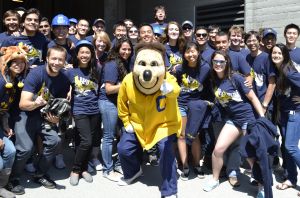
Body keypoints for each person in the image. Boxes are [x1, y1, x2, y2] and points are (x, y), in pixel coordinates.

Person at [117, 42, 181, 198]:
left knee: (166, 151)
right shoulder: (128, 80)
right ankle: (133, 172)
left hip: (163, 125)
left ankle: (169, 190)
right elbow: (121, 103)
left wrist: (170, 90)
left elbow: (176, 90)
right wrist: (126, 122)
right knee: (123, 148)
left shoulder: (167, 77)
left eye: (153, 64)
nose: (147, 71)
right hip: (138, 125)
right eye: (142, 64)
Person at [8, 46, 70, 195]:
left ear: (64, 62)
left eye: (60, 59)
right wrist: (36, 103)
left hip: (43, 115)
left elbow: (59, 105)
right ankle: (13, 178)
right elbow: (23, 104)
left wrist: (56, 118)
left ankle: (40, 174)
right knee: (26, 148)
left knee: (54, 141)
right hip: (25, 114)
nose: (56, 62)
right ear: (47, 58)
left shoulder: (63, 79)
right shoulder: (36, 74)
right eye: (53, 58)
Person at [203, 50, 265, 192]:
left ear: (227, 63)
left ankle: (262, 185)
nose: (218, 64)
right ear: (212, 63)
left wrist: (261, 118)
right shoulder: (213, 79)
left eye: (221, 62)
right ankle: (214, 179)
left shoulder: (235, 77)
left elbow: (253, 98)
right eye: (215, 61)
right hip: (233, 120)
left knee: (250, 155)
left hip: (247, 119)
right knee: (218, 150)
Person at [173, 41, 211, 180]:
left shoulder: (205, 67)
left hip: (196, 105)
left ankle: (196, 164)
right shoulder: (179, 69)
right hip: (181, 103)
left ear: (198, 52)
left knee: (194, 135)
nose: (191, 54)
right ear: (184, 54)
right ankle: (185, 165)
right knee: (182, 135)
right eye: (188, 52)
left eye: (193, 51)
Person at [67, 40, 101, 186]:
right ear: (77, 54)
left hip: (94, 110)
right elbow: (65, 86)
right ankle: (75, 170)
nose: (85, 55)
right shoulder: (70, 72)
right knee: (86, 141)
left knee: (86, 141)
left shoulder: (97, 71)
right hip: (79, 109)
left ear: (91, 55)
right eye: (82, 52)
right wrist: (68, 91)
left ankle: (84, 168)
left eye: (88, 52)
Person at [98, 38, 133, 181]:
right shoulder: (112, 64)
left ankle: (119, 164)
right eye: (123, 49)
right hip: (108, 102)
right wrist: (128, 83)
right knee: (108, 136)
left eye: (129, 49)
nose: (126, 52)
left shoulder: (125, 63)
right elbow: (109, 89)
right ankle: (107, 169)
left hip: (120, 103)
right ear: (117, 49)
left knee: (124, 134)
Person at [271, 44, 300, 198]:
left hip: (295, 112)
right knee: (287, 148)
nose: (275, 55)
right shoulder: (278, 69)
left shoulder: (288, 71)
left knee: (290, 146)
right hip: (284, 113)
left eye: (279, 53)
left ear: (284, 55)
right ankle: (291, 179)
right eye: (274, 53)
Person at [0, 45, 28, 198]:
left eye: (22, 62)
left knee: (10, 151)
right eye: (15, 62)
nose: (19, 65)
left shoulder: (15, 81)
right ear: (7, 63)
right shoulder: (1, 81)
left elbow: (5, 109)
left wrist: (5, 124)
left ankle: (1, 186)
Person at [245, 31, 276, 118]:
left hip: (264, 104)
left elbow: (272, 83)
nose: (252, 43)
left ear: (259, 41)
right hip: (252, 103)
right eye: (249, 41)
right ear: (246, 43)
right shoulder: (247, 58)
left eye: (254, 40)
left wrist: (264, 105)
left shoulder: (266, 58)